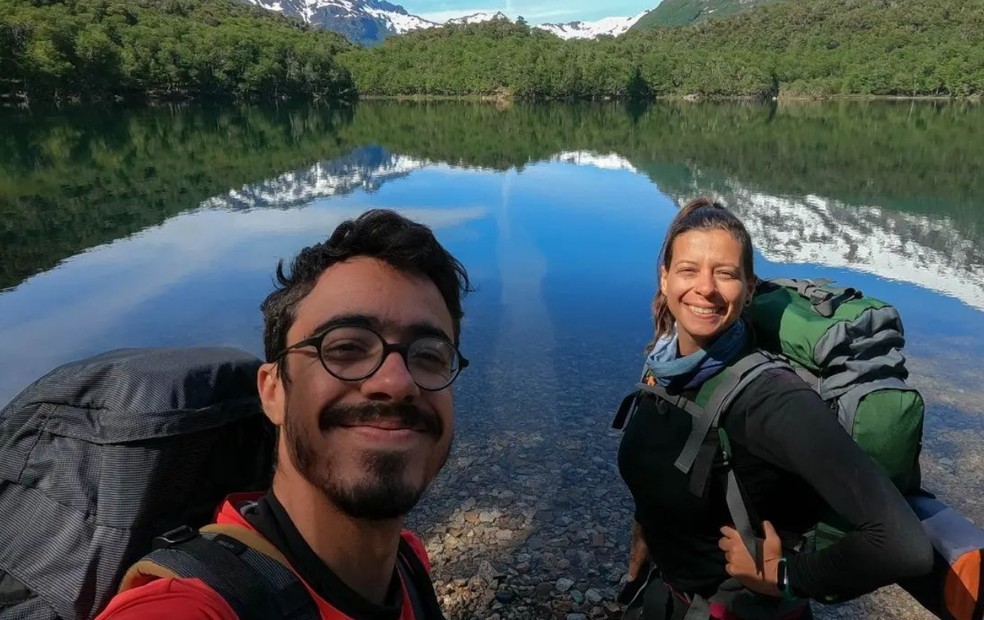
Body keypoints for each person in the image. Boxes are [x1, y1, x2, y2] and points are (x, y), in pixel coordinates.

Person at [97, 209, 470, 619]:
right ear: (272, 391)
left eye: (430, 355)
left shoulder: (408, 563)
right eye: (345, 348)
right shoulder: (190, 607)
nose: (397, 382)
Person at [616, 197, 932, 620]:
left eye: (725, 274)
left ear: (748, 290)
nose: (705, 288)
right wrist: (643, 547)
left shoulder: (769, 399)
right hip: (670, 598)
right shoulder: (666, 364)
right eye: (689, 270)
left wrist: (786, 576)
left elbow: (902, 546)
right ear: (665, 277)